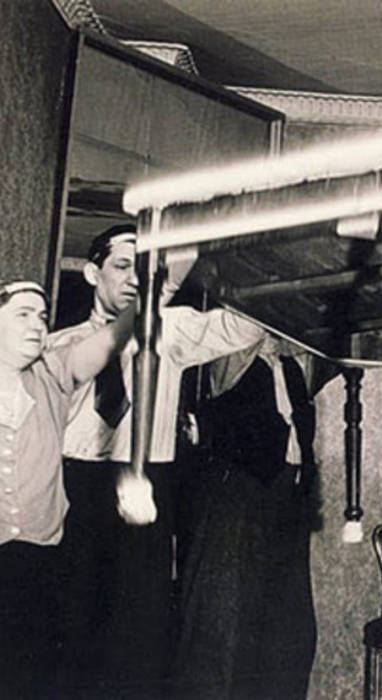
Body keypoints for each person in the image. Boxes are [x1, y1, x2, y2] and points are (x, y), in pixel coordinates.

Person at [48, 224, 265, 698]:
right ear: (92, 273)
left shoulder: (172, 327)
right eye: (123, 266)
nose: (135, 279)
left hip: (149, 484)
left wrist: (244, 262)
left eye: (146, 270)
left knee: (140, 633)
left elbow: (244, 327)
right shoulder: (59, 345)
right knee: (71, 629)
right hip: (75, 489)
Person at [0, 278, 134, 699]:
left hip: (38, 562)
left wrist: (156, 290)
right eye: (23, 314)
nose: (37, 325)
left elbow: (114, 336)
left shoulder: (53, 375)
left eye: (42, 317)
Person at [174, 333, 318, 700]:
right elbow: (241, 330)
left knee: (289, 630)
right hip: (237, 498)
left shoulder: (292, 370)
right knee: (220, 627)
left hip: (287, 501)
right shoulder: (234, 363)